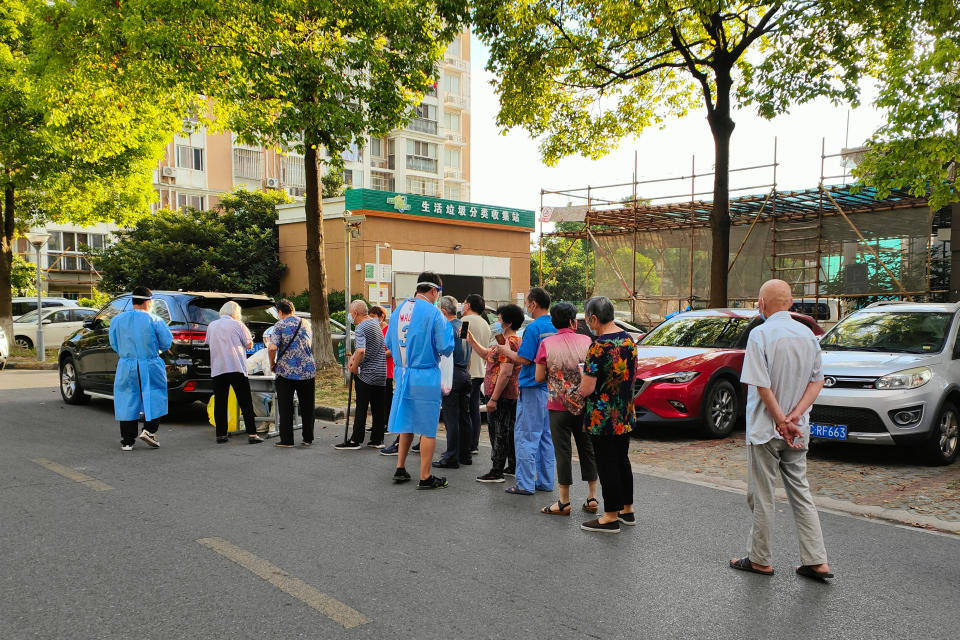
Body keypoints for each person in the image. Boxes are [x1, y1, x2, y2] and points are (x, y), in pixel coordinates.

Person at [730, 279, 833, 581]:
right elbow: (817, 381)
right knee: (801, 492)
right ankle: (816, 559)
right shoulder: (808, 335)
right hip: (798, 429)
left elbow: (761, 384)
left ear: (761, 304)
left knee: (762, 495)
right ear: (790, 303)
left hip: (765, 429)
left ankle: (761, 558)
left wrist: (779, 420)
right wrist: (794, 418)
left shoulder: (760, 335)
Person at [385, 271, 455, 489]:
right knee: (427, 427)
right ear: (434, 290)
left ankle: (400, 467)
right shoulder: (434, 314)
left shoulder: (397, 310)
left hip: (402, 373)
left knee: (406, 421)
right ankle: (425, 476)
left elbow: (388, 342)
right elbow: (446, 347)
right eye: (438, 293)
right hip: (425, 374)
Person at [574, 296, 637, 533]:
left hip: (602, 416)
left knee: (607, 463)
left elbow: (588, 387)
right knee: (622, 460)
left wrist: (578, 390)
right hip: (624, 411)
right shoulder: (628, 340)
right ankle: (626, 510)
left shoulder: (599, 346)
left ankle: (610, 515)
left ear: (593, 318)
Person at [534, 302, 598, 515]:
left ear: (553, 322)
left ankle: (563, 501)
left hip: (557, 405)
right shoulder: (587, 341)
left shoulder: (547, 344)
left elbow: (539, 376)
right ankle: (592, 497)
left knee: (562, 451)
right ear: (573, 321)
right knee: (587, 448)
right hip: (583, 402)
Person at [494, 287, 556, 495]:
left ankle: (525, 483)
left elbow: (525, 358)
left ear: (534, 304)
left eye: (527, 302)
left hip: (531, 387)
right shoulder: (554, 325)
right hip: (550, 388)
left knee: (526, 436)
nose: (526, 306)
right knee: (546, 437)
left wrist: (506, 351)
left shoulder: (533, 328)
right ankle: (546, 481)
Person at [109, 286, 173, 451]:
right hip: (150, 363)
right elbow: (166, 342)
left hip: (126, 363)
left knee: (127, 398)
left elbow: (114, 344)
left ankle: (127, 441)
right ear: (148, 302)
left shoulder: (117, 320)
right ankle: (149, 430)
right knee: (155, 395)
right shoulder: (154, 320)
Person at [466, 304, 523, 482]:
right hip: (507, 393)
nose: (496, 322)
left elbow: (505, 372)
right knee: (509, 429)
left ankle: (496, 470)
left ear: (508, 322)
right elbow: (488, 355)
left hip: (502, 393)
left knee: (499, 431)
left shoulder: (510, 342)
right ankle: (511, 465)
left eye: (499, 319)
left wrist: (494, 399)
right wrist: (472, 342)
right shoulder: (503, 340)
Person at [205, 300, 264, 444]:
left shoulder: (212, 325)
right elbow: (249, 344)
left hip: (218, 368)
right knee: (245, 401)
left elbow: (208, 343)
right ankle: (252, 434)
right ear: (236, 312)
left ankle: (221, 434)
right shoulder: (238, 325)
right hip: (236, 367)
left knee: (221, 402)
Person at [337, 300, 388, 450]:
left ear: (355, 313)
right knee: (378, 408)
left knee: (361, 407)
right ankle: (377, 439)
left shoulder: (360, 328)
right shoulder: (375, 323)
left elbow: (361, 351)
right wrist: (352, 360)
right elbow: (368, 348)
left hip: (367, 374)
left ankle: (355, 440)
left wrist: (354, 367)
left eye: (350, 313)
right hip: (380, 372)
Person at [267, 299, 316, 448]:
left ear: (280, 312)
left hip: (286, 371)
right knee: (307, 406)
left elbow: (272, 347)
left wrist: (272, 363)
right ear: (293, 310)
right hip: (307, 369)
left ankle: (287, 440)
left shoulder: (279, 325)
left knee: (285, 406)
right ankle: (308, 438)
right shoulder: (306, 323)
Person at [434, 295, 474, 468]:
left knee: (451, 417)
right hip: (465, 372)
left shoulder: (446, 328)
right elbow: (468, 349)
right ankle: (465, 453)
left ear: (443, 311)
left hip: (452, 373)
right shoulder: (463, 325)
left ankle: (451, 456)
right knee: (465, 416)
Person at [461, 294, 491, 456]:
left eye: (464, 303)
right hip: (481, 371)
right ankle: (474, 444)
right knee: (474, 410)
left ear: (469, 305)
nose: (462, 305)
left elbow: (461, 344)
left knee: (464, 411)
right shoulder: (486, 324)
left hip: (467, 371)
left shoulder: (465, 322)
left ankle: (465, 444)